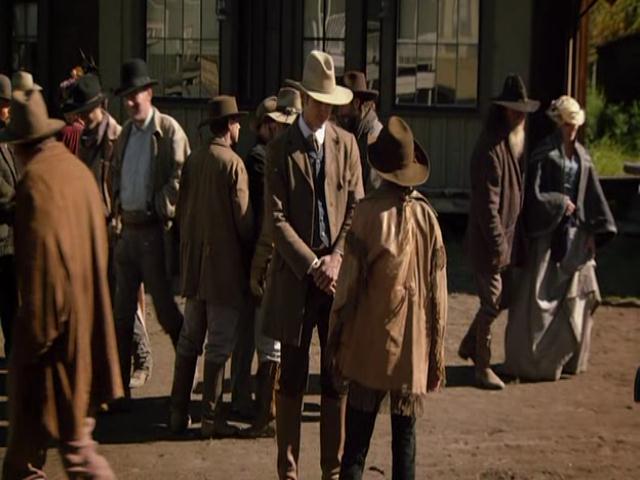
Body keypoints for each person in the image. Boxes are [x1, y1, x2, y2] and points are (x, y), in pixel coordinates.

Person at [1, 89, 122, 479]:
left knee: (67, 454)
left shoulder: (36, 185)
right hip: (85, 331)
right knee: (51, 453)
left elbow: (45, 282)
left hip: (54, 349)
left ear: (21, 145)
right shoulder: (76, 172)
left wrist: (28, 351)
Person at [262, 50, 364, 480]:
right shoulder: (280, 149)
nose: (326, 110)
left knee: (336, 376)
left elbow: (356, 207)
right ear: (304, 99)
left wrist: (337, 258)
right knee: (292, 376)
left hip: (336, 277)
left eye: (330, 103)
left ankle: (332, 471)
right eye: (320, 102)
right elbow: (276, 219)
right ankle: (288, 472)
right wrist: (312, 265)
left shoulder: (346, 144)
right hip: (296, 278)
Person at [328, 116, 447, 480]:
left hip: (370, 343)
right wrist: (435, 352)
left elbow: (347, 287)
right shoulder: (428, 217)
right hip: (411, 347)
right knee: (405, 441)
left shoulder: (366, 214)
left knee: (356, 445)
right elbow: (439, 295)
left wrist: (336, 338)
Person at [503, 95, 616, 381]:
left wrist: (592, 232)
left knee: (579, 296)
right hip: (547, 235)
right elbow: (533, 195)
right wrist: (558, 202)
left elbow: (591, 196)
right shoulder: (545, 154)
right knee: (538, 299)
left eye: (575, 125)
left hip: (576, 236)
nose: (572, 130)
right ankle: (533, 363)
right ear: (559, 123)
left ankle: (568, 360)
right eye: (568, 125)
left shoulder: (582, 157)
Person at [170, 95, 254, 437]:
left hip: (194, 267)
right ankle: (211, 418)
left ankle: (177, 412)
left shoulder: (195, 160)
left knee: (189, 340)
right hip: (223, 270)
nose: (240, 127)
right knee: (218, 343)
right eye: (237, 122)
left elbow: (180, 213)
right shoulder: (233, 164)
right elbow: (244, 222)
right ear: (229, 125)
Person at [66, 72, 153, 389]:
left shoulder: (117, 137)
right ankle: (111, 373)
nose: (83, 118)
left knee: (122, 301)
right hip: (93, 231)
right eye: (80, 112)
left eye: (87, 112)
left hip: (118, 230)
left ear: (100, 107)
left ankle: (142, 358)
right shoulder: (85, 141)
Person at [111, 58, 189, 403]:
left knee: (167, 313)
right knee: (121, 315)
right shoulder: (126, 134)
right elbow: (116, 172)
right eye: (126, 97)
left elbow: (181, 175)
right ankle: (119, 392)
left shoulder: (168, 130)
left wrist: (160, 204)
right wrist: (117, 204)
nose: (130, 102)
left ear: (149, 93)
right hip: (127, 231)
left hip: (153, 233)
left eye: (135, 95)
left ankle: (184, 385)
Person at [458, 74, 539, 390]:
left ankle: (470, 344)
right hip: (489, 243)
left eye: (522, 112)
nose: (520, 117)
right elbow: (486, 208)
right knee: (492, 302)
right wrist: (499, 246)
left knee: (505, 298)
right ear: (503, 110)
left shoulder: (509, 142)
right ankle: (482, 367)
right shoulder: (489, 149)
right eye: (515, 111)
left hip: (505, 241)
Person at [240, 87, 302, 439]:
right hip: (301, 261)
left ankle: (268, 414)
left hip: (278, 260)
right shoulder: (306, 157)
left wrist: (257, 268)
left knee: (269, 341)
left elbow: (270, 226)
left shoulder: (276, 162)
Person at [0, 74, 20, 360]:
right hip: (2, 240)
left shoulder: (9, 139)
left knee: (12, 311)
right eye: (5, 104)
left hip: (11, 243)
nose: (8, 109)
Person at [336, 71, 383, 193]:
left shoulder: (375, 138)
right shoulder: (352, 131)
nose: (339, 111)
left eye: (342, 104)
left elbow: (374, 190)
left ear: (356, 103)